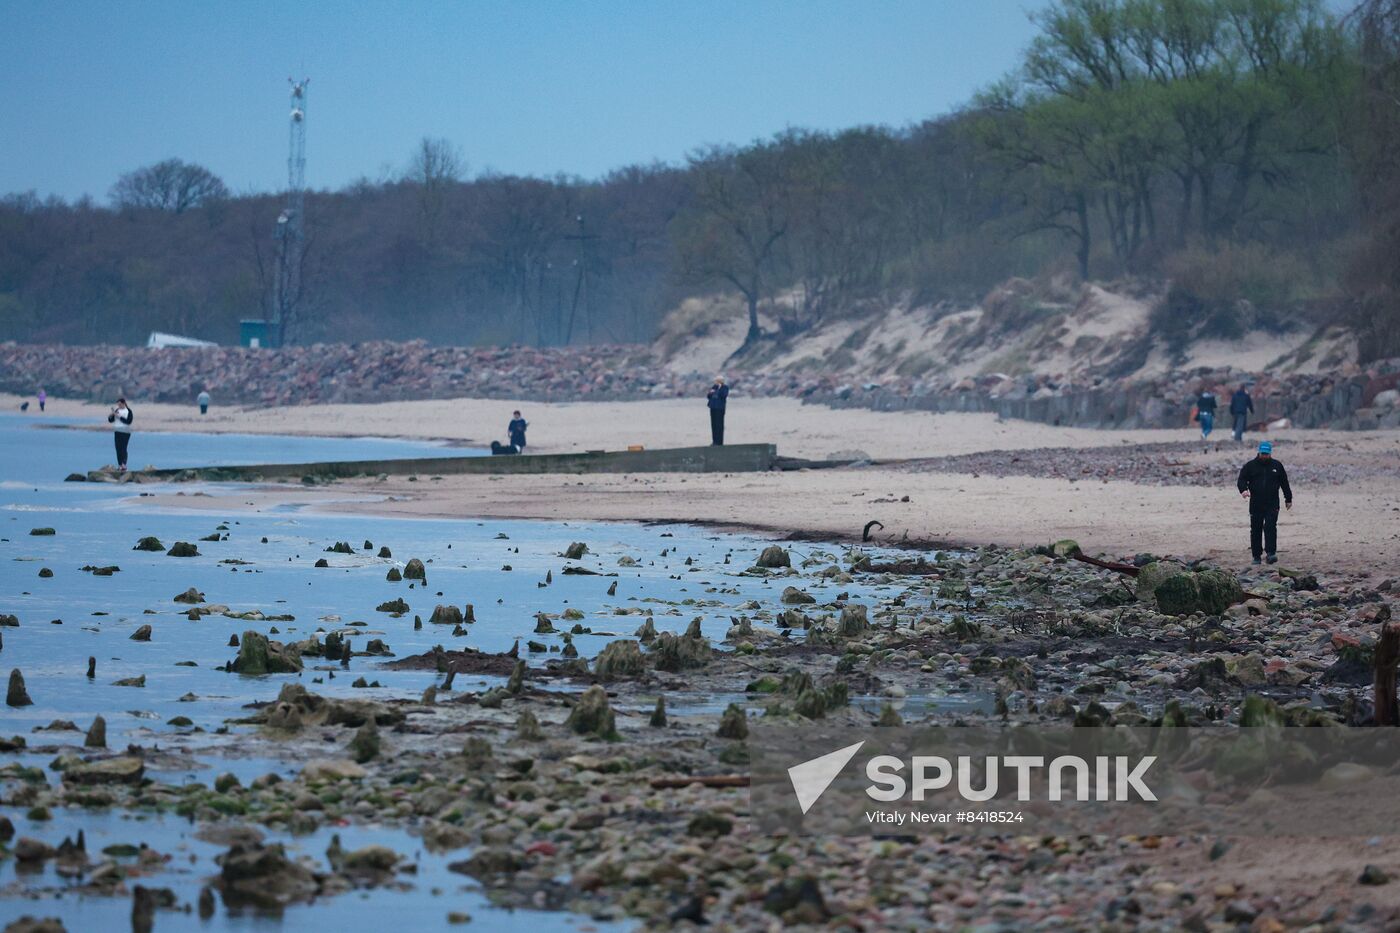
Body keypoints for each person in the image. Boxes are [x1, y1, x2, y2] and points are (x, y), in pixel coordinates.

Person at [1236, 440, 1292, 565]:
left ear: (1270, 453)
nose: (1264, 456)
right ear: (1259, 452)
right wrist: (1243, 490)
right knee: (1256, 529)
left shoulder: (1277, 466)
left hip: (1272, 503)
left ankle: (1271, 553)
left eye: (1267, 454)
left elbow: (1284, 483)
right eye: (1263, 454)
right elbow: (1241, 480)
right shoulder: (1250, 466)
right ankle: (1256, 556)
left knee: (1270, 527)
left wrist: (1288, 499)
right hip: (1256, 503)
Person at [107, 397, 134, 471]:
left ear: (124, 403)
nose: (119, 406)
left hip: (125, 432)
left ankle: (124, 464)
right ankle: (120, 465)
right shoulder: (117, 410)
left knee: (123, 448)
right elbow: (111, 420)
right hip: (117, 431)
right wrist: (111, 415)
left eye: (120, 404)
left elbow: (128, 421)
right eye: (118, 404)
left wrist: (119, 416)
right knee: (118, 448)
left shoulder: (128, 411)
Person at [706, 375, 729, 446]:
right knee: (714, 425)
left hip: (720, 408)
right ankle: (714, 441)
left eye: (716, 381)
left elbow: (724, 395)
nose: (715, 382)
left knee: (719, 425)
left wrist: (718, 390)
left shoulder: (725, 388)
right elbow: (708, 396)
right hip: (713, 408)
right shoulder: (714, 387)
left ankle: (719, 442)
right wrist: (711, 392)